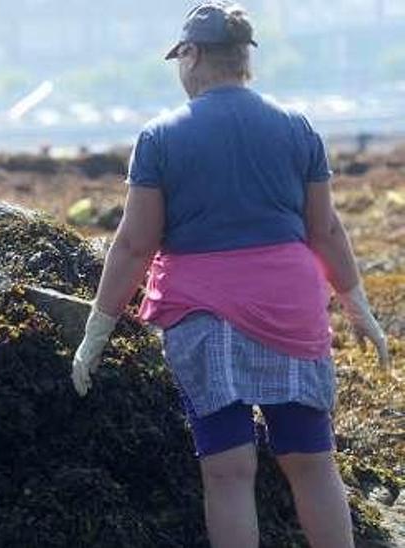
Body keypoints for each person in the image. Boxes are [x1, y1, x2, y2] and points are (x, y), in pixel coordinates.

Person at [70, 4, 391, 547]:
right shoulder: (297, 128)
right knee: (312, 460)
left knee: (228, 470)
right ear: (245, 59)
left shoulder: (161, 137)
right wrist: (360, 308)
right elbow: (327, 232)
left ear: (192, 55)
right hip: (292, 308)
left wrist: (95, 333)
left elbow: (134, 244)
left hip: (205, 313)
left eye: (181, 58)